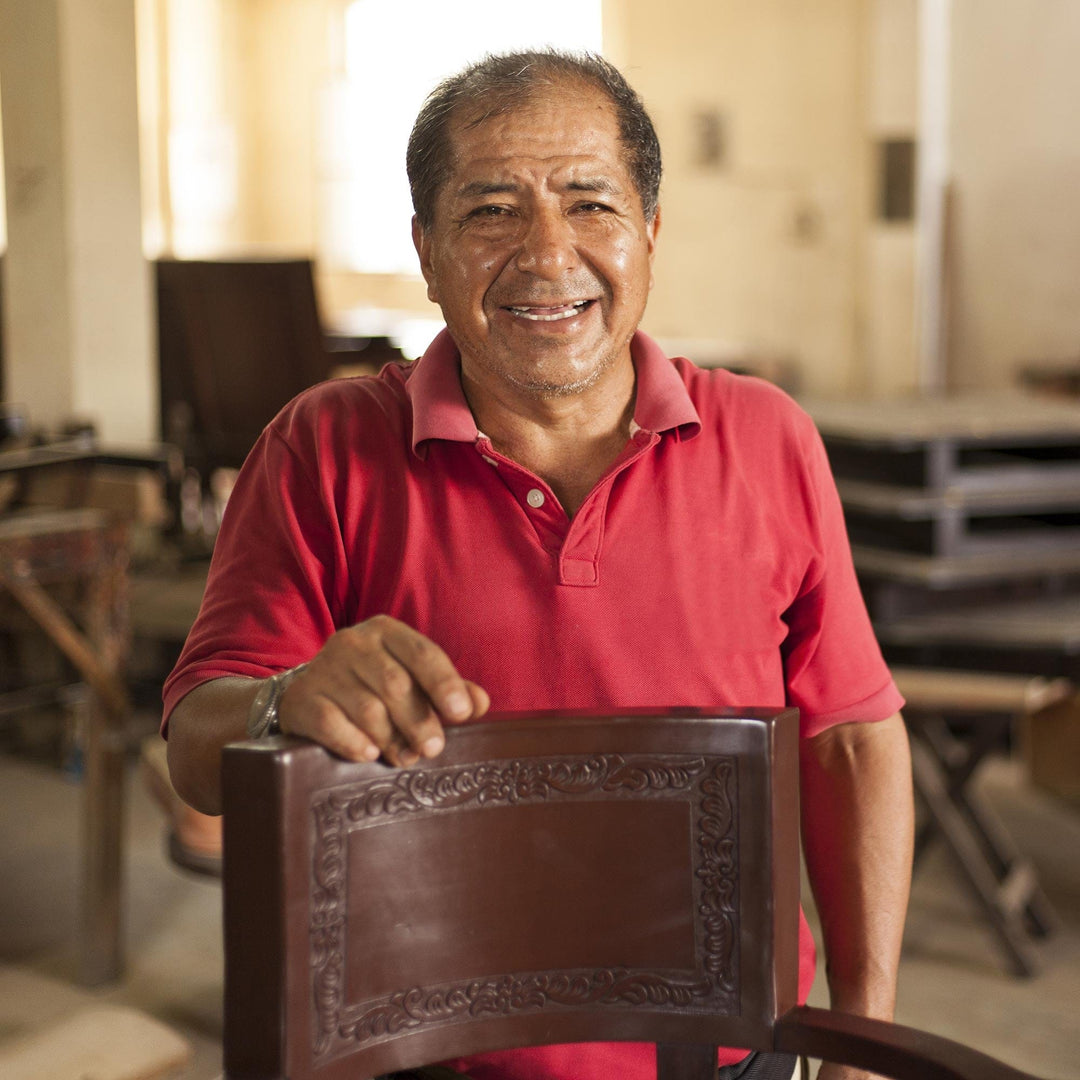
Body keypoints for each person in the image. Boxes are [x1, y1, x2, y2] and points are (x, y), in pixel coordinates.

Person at [164, 50, 913, 1080]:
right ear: (426, 251)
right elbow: (198, 744)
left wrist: (864, 1035)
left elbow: (854, 741)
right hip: (415, 1060)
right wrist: (282, 701)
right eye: (490, 212)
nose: (547, 255)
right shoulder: (321, 447)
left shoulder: (768, 439)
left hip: (724, 1063)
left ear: (649, 235)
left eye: (590, 204)